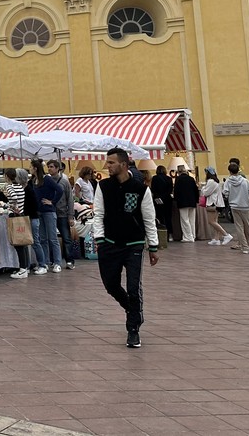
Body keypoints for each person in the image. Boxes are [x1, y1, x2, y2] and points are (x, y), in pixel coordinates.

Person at [93, 147, 160, 349]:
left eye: (111, 162)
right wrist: (100, 239)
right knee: (111, 285)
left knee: (133, 287)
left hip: (134, 245)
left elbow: (149, 219)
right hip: (109, 244)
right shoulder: (103, 186)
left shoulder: (141, 189)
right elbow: (98, 214)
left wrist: (153, 246)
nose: (108, 166)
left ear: (123, 164)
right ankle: (132, 309)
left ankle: (133, 329)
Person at [31, 159, 63, 273]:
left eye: (31, 167)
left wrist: (52, 201)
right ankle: (45, 261)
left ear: (35, 168)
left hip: (49, 211)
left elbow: (59, 190)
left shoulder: (47, 179)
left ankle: (57, 262)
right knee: (42, 238)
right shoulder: (34, 180)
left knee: (53, 238)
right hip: (39, 212)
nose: (30, 169)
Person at [224, 162, 249, 253]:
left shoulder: (228, 181)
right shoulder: (245, 181)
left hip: (234, 206)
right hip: (245, 206)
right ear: (238, 170)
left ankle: (245, 247)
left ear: (230, 171)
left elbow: (225, 193)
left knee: (239, 227)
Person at [48, 159, 76, 269]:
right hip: (50, 212)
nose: (49, 169)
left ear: (57, 168)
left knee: (66, 238)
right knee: (51, 237)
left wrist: (70, 215)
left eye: (51, 167)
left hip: (63, 213)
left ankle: (69, 260)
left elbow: (70, 199)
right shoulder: (47, 181)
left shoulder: (64, 182)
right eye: (48, 167)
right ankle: (53, 260)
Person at [201, 168, 231, 245]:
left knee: (211, 221)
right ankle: (216, 238)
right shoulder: (216, 181)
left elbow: (206, 193)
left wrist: (203, 188)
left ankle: (226, 235)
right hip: (218, 203)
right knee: (215, 221)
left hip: (213, 203)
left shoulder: (211, 181)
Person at [173, 163, 200, 243]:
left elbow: (176, 191)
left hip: (183, 202)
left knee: (185, 220)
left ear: (178, 171)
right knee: (192, 219)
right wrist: (196, 200)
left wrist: (176, 199)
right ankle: (193, 235)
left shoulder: (178, 179)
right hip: (192, 202)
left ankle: (188, 237)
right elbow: (196, 190)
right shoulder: (191, 179)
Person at [151, 165, 173, 241]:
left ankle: (161, 234)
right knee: (168, 217)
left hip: (158, 200)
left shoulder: (154, 178)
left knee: (159, 217)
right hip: (167, 200)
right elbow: (170, 190)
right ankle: (170, 235)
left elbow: (153, 189)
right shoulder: (169, 179)